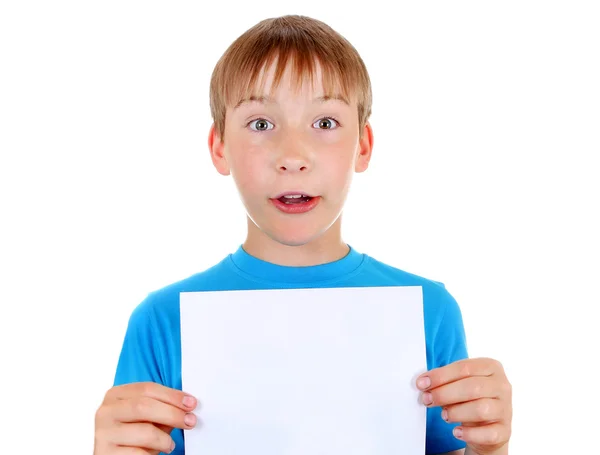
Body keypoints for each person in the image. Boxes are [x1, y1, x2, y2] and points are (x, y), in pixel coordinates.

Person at [94, 14, 512, 455]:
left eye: (325, 123)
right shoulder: (162, 320)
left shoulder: (430, 310)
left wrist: (490, 448)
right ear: (219, 148)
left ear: (363, 146)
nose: (293, 156)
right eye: (261, 124)